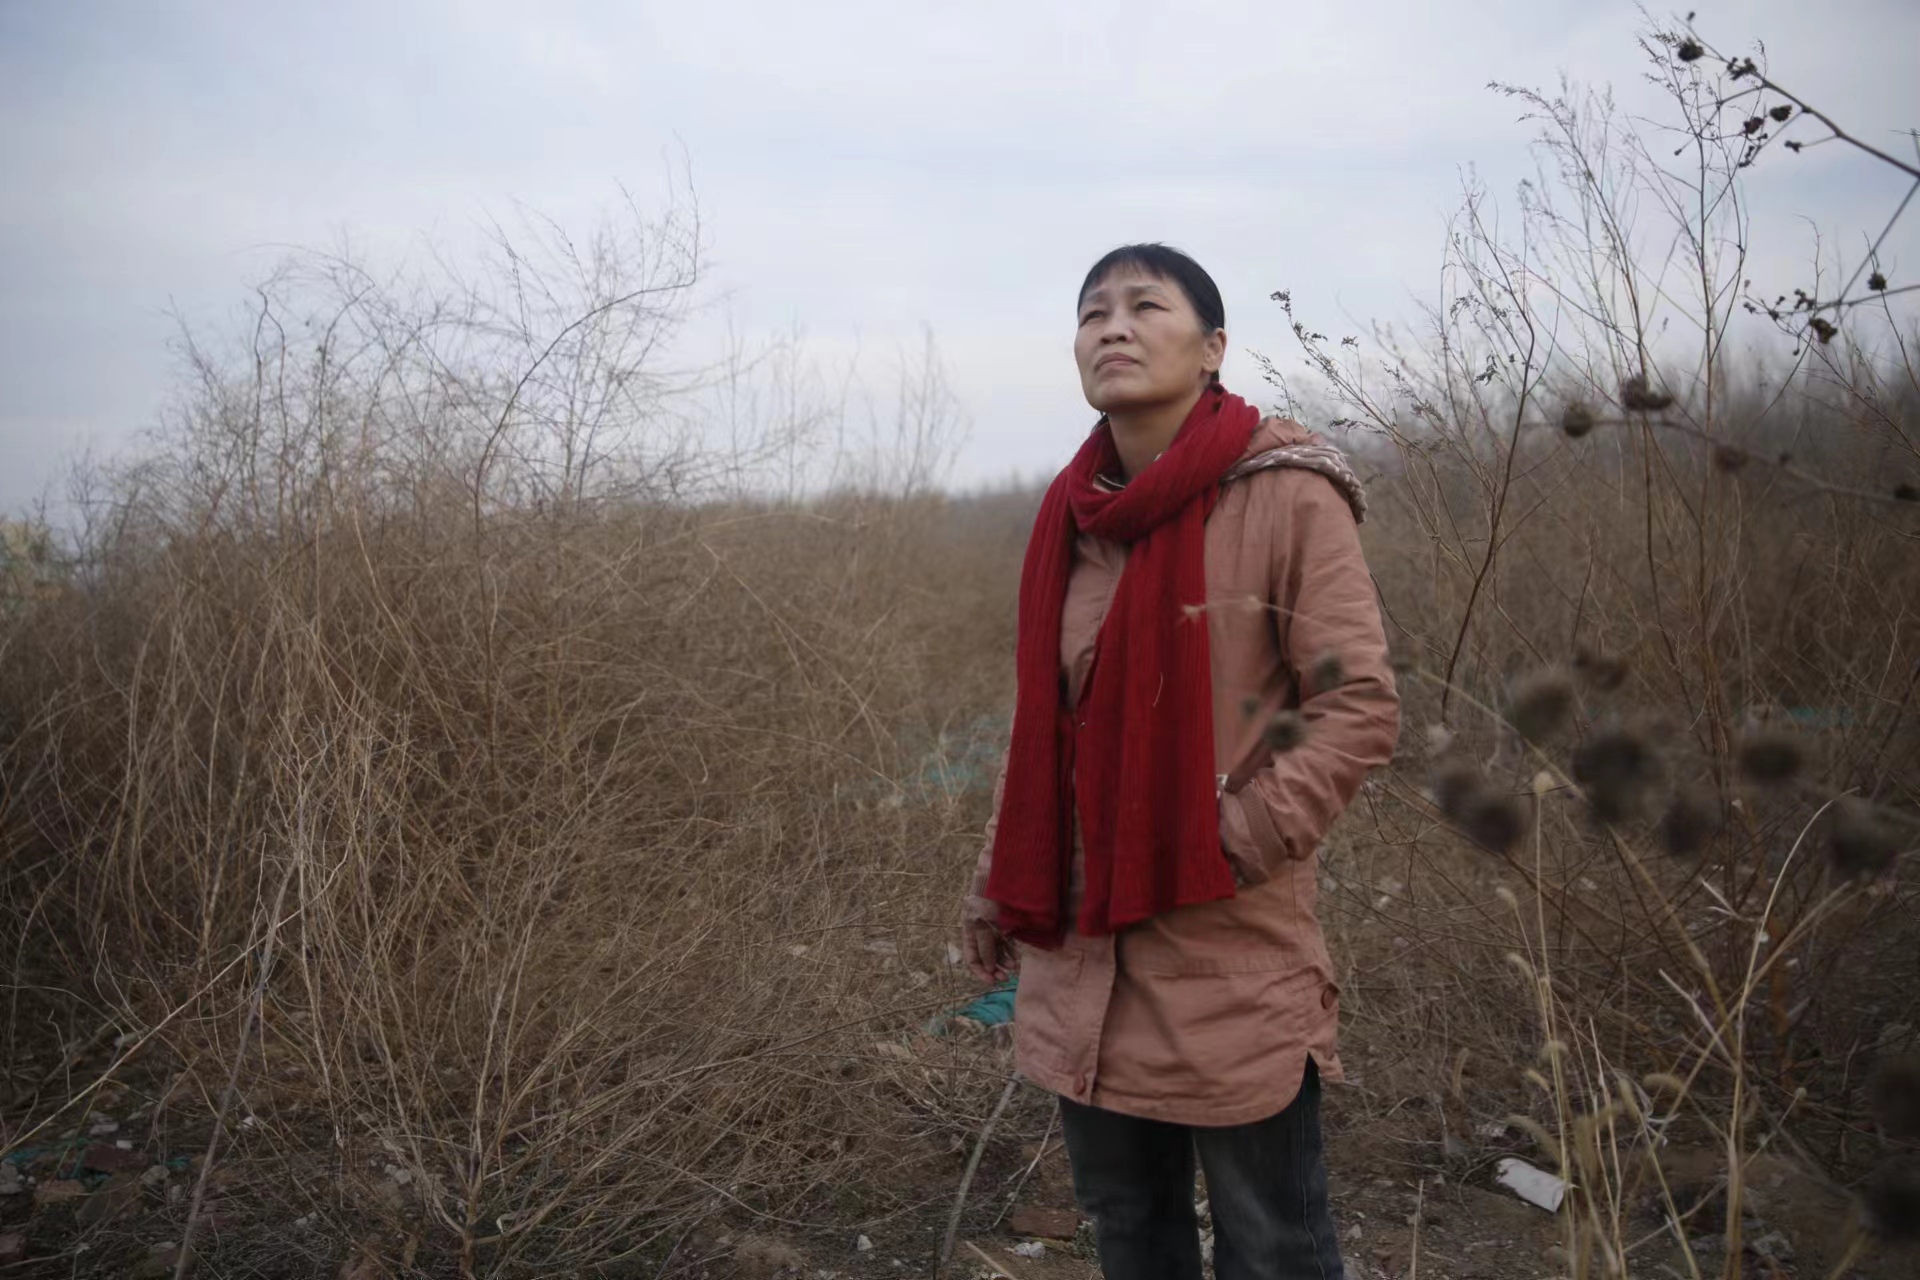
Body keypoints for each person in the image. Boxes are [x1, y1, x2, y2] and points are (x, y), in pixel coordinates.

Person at [959, 243, 1400, 1280]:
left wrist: (1225, 839)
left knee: (1273, 1244)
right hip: (1082, 948)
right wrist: (995, 876)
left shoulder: (1286, 496)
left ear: (1212, 348)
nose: (1111, 327)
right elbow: (1049, 728)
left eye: (1144, 306)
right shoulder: (1071, 516)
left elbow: (1355, 704)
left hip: (1224, 942)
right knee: (1129, 1229)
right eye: (1092, 313)